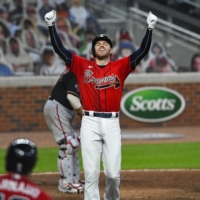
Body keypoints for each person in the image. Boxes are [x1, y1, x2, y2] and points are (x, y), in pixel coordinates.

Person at [44, 10, 157, 200]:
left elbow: (143, 51)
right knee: (91, 175)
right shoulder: (81, 65)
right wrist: (51, 26)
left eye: (105, 43)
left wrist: (150, 28)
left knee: (113, 174)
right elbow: (59, 49)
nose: (102, 45)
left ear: (111, 50)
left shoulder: (120, 66)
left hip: (112, 123)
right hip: (89, 121)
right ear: (93, 50)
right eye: (98, 43)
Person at [43, 69, 84, 193]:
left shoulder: (83, 72)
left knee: (74, 144)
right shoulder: (80, 71)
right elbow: (71, 97)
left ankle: (75, 179)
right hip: (58, 107)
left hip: (62, 109)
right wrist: (85, 114)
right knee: (68, 145)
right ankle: (65, 183)